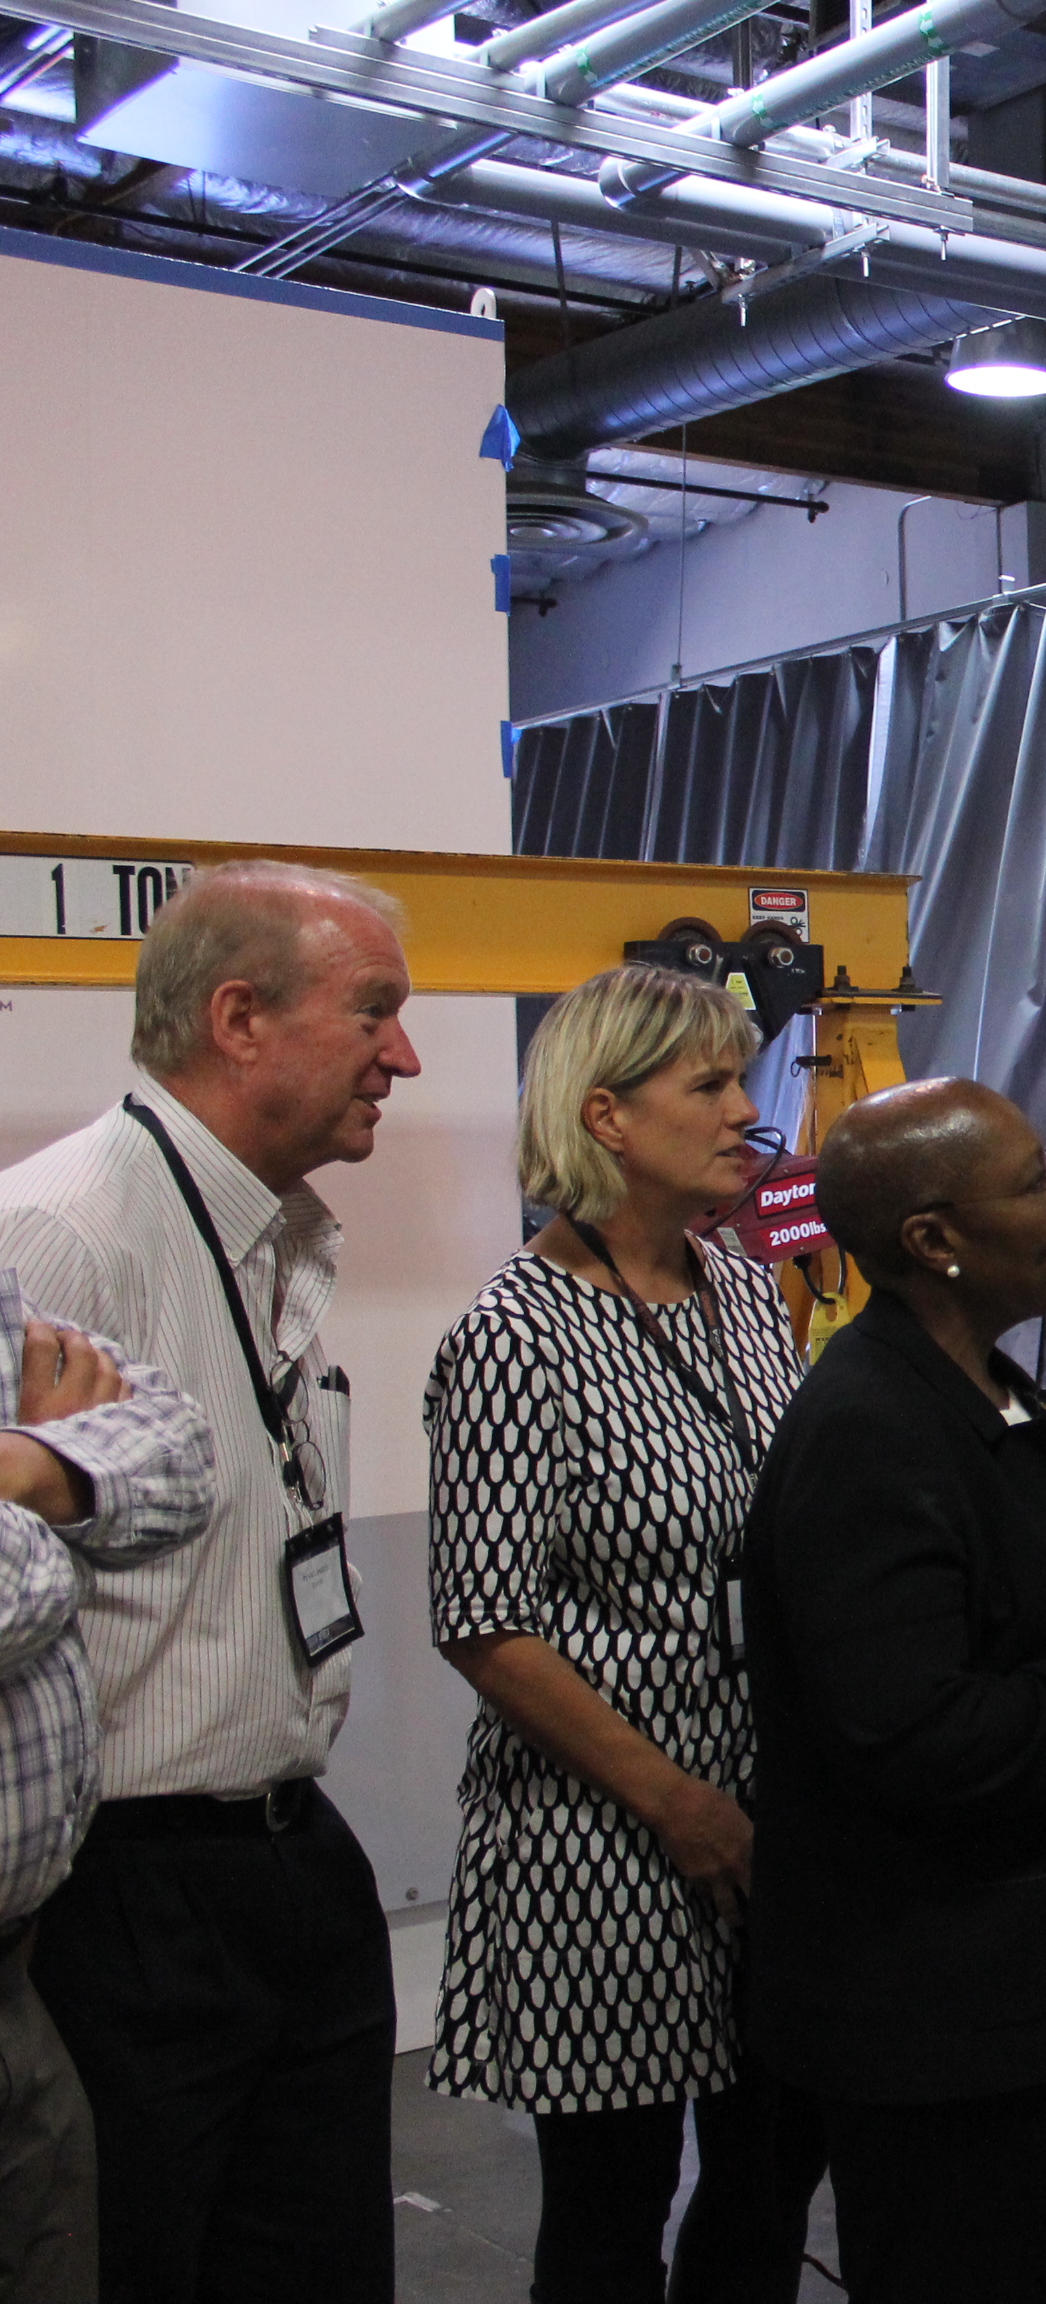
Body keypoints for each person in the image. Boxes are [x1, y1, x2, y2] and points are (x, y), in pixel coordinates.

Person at [0, 859, 418, 2302]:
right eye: (374, 1012)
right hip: (124, 1901)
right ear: (240, 1019)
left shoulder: (278, 1232)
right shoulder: (59, 1234)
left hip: (291, 1856)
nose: (406, 1056)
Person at [739, 1078, 1046, 2303]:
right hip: (943, 2017)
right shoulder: (872, 1430)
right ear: (932, 1241)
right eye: (1029, 1185)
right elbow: (903, 1728)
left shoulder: (997, 1395)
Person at [421, 966, 826, 2302]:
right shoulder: (513, 1338)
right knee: (611, 2214)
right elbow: (485, 1624)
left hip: (767, 1819)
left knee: (769, 2185)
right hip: (607, 1840)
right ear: (605, 1114)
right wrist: (675, 1801)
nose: (744, 1115)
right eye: (709, 1086)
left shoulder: (745, 1294)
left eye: (742, 1081)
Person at [0, 1303, 212, 2304]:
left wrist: (24, 1473)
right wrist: (56, 1480)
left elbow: (181, 1456)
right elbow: (15, 1589)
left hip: (17, 1979)